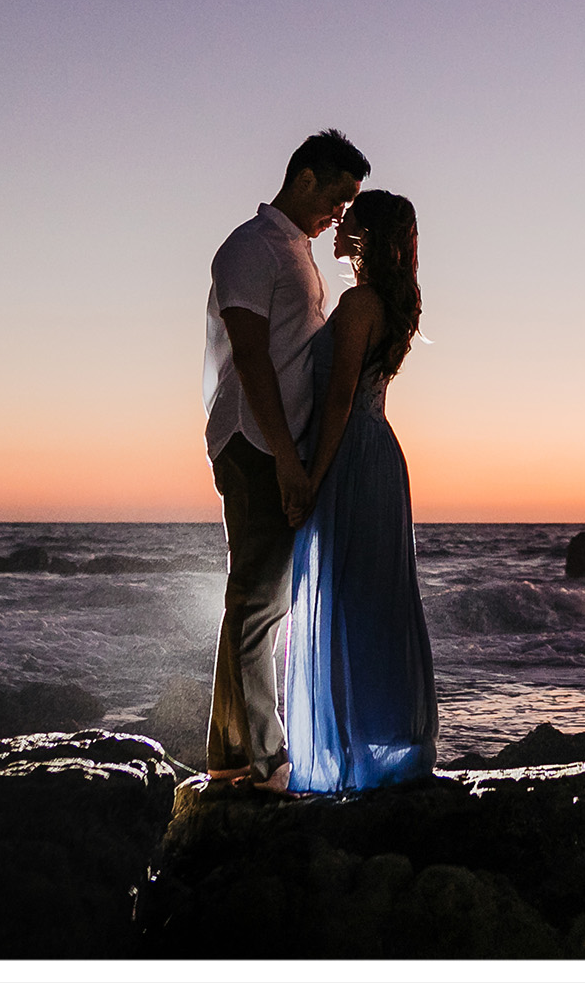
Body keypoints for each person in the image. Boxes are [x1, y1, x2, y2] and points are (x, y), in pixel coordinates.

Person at [202, 128, 368, 790]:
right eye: (338, 197)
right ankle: (265, 758)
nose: (341, 214)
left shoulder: (298, 252)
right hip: (252, 443)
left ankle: (231, 752)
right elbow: (249, 356)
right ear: (305, 178)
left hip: (280, 446)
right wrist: (284, 460)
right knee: (260, 601)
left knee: (258, 598)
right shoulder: (250, 247)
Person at [281, 189, 439, 792]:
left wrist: (309, 481)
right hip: (378, 458)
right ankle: (376, 750)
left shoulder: (359, 303)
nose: (338, 226)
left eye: (349, 221)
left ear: (367, 237)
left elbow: (339, 403)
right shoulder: (386, 305)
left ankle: (349, 759)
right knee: (374, 604)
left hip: (351, 458)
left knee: (350, 602)